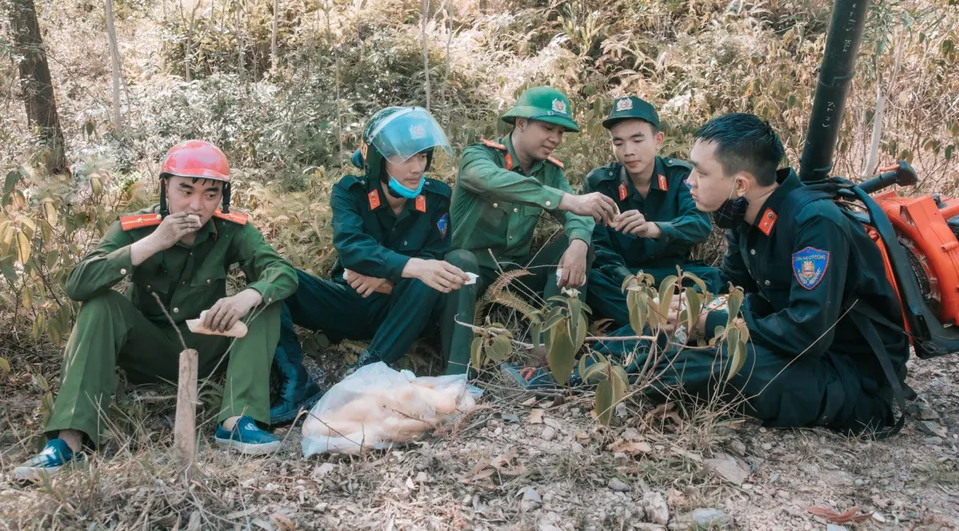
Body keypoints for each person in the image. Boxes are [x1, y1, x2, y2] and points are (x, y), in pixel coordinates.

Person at [512, 113, 910, 436]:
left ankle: (583, 381)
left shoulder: (814, 224)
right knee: (668, 319)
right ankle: (564, 371)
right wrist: (680, 306)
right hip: (789, 347)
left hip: (849, 376)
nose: (689, 181)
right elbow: (732, 287)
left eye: (700, 173)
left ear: (739, 183)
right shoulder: (744, 215)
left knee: (715, 360)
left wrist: (710, 318)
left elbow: (808, 333)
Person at [15, 141, 298, 481]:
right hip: (147, 351)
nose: (197, 204)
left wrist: (247, 296)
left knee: (264, 301)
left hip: (207, 346)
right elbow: (78, 284)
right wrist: (153, 242)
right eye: (186, 190)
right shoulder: (135, 228)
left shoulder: (232, 228)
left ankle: (238, 422)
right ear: (166, 186)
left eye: (211, 194)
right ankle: (69, 441)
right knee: (101, 304)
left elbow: (282, 272)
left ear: (223, 194)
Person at [269, 107, 475, 426]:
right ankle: (295, 385)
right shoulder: (349, 192)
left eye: (422, 157)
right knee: (277, 279)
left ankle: (368, 368)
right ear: (378, 160)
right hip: (350, 301)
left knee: (429, 270)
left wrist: (389, 278)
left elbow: (432, 262)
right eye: (405, 157)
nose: (417, 167)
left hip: (404, 311)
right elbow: (352, 248)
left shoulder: (436, 198)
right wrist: (409, 267)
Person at [446, 86, 618, 361]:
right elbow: (492, 179)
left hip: (514, 277)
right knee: (461, 259)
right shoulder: (479, 156)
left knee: (576, 247)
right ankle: (458, 368)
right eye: (548, 128)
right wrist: (564, 199)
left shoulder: (550, 170)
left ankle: (548, 357)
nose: (555, 139)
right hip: (467, 278)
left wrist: (578, 244)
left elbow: (576, 214)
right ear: (521, 123)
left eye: (561, 132)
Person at [584, 95, 723, 329]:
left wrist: (654, 228)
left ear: (658, 139)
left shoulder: (680, 175)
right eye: (619, 143)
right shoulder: (600, 184)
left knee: (715, 277)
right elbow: (600, 249)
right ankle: (664, 320)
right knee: (589, 281)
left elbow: (699, 226)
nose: (628, 151)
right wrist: (628, 282)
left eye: (637, 140)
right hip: (625, 279)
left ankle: (648, 319)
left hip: (673, 274)